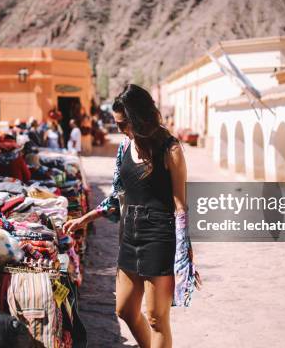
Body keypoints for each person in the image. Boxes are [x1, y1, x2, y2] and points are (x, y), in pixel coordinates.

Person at [63, 84, 200, 348]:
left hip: (159, 238)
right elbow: (118, 195)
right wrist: (86, 218)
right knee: (124, 309)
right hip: (130, 237)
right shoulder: (125, 147)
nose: (120, 130)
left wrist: (184, 255)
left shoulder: (170, 149)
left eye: (123, 124)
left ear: (140, 118)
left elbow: (181, 206)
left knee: (157, 319)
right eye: (117, 125)